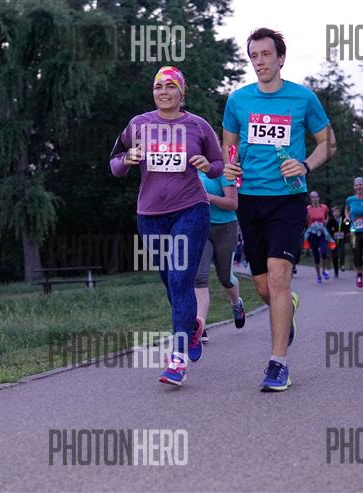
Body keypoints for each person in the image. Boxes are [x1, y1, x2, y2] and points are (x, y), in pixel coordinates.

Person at [222, 28, 336, 392]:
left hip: (288, 199)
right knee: (263, 287)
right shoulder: (238, 100)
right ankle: (288, 306)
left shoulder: (302, 98)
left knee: (278, 277)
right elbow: (228, 147)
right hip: (250, 200)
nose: (260, 62)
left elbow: (328, 142)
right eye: (254, 56)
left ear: (281, 58)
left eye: (266, 54)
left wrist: (305, 165)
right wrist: (230, 167)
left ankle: (278, 363)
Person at [110, 66, 223, 386]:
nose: (164, 92)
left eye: (171, 86)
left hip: (191, 209)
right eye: (158, 86)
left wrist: (207, 165)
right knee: (170, 282)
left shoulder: (198, 126)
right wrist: (127, 160)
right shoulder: (138, 124)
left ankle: (177, 359)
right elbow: (114, 164)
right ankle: (192, 328)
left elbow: (219, 166)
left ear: (181, 93)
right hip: (150, 215)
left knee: (181, 278)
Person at [195, 165, 247, 343]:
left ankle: (236, 303)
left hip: (225, 228)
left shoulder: (223, 172)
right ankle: (199, 326)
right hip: (200, 228)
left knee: (225, 278)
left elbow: (233, 203)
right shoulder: (190, 171)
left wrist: (207, 197)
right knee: (199, 278)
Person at [303, 191, 334, 283]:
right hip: (312, 233)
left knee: (324, 252)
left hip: (322, 232)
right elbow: (305, 220)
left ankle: (324, 270)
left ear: (319, 198)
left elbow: (327, 216)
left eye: (316, 197)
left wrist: (326, 222)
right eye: (313, 197)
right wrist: (309, 222)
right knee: (316, 256)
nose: (315, 199)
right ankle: (318, 275)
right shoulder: (308, 209)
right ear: (310, 199)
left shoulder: (324, 207)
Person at [327, 206, 350, 278]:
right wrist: (331, 236)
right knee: (335, 255)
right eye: (335, 212)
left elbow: (347, 225)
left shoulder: (342, 219)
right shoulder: (331, 220)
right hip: (333, 240)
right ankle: (336, 271)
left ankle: (342, 264)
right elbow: (328, 229)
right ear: (332, 213)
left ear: (340, 213)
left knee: (342, 251)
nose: (337, 213)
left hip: (341, 239)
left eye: (338, 212)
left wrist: (347, 222)